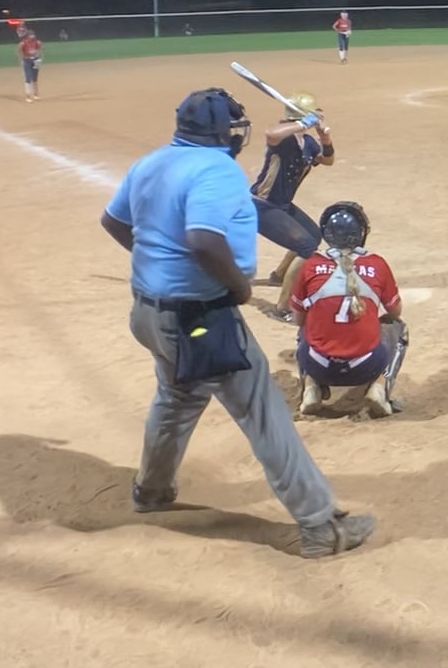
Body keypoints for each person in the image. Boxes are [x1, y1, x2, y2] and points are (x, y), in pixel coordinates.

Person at [99, 87, 374, 557]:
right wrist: (238, 288)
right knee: (264, 413)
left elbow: (114, 222)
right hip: (199, 319)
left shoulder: (151, 162)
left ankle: (152, 490)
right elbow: (204, 240)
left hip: (149, 313)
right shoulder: (217, 169)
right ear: (223, 133)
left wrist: (160, 264)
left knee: (178, 396)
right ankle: (320, 526)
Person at [285, 201, 408, 420]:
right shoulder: (377, 264)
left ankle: (311, 388)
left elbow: (297, 319)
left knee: (304, 327)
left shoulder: (311, 264)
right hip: (365, 366)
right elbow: (395, 311)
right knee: (399, 328)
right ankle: (379, 389)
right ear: (360, 234)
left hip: (318, 365)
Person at [253, 93, 335, 291]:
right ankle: (284, 304)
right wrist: (304, 123)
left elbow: (327, 160)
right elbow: (271, 134)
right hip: (262, 206)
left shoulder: (307, 142)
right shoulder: (283, 139)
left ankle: (280, 275)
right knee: (306, 247)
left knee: (313, 236)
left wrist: (325, 139)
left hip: (282, 205)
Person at [17, 26, 43, 102]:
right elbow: (19, 50)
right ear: (27, 36)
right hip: (27, 61)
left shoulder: (37, 42)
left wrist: (39, 56)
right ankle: (28, 96)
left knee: (35, 79)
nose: (32, 36)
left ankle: (36, 95)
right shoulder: (23, 43)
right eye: (31, 35)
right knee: (28, 78)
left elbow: (40, 49)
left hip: (35, 60)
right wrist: (22, 59)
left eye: (33, 34)